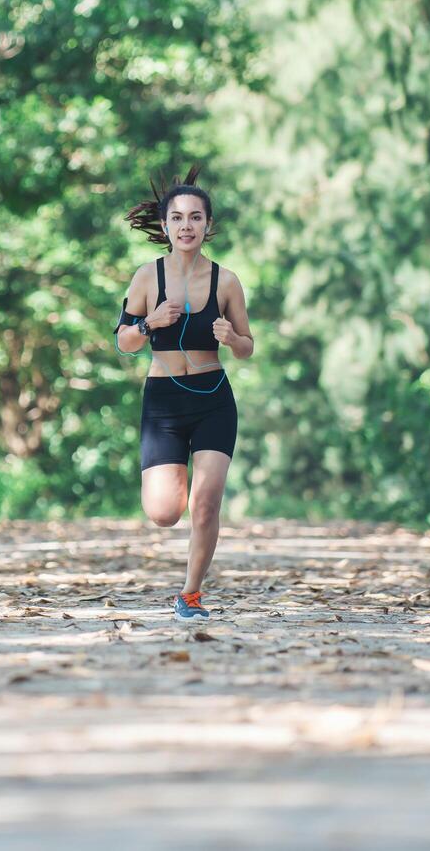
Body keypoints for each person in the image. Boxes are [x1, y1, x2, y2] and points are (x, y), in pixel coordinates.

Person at [114, 165, 254, 621]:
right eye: (177, 218)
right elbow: (123, 341)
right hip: (164, 402)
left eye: (196, 217)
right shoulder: (146, 277)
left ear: (207, 225)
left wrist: (231, 338)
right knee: (163, 512)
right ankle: (178, 502)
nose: (187, 226)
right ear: (165, 225)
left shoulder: (226, 281)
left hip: (213, 397)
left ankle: (190, 596)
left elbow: (248, 347)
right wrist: (148, 323)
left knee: (206, 501)